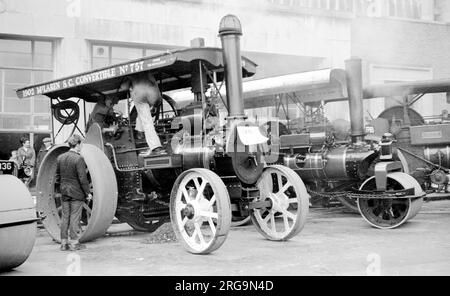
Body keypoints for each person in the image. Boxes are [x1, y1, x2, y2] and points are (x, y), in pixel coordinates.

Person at [55, 134, 92, 251]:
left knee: (65, 217)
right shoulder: (79, 158)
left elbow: (57, 177)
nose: (82, 146)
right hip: (76, 192)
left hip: (64, 191)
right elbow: (82, 178)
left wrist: (62, 188)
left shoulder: (60, 157)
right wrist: (88, 193)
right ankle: (75, 243)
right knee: (75, 217)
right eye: (81, 144)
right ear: (78, 144)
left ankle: (63, 243)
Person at [123, 72, 164, 156]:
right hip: (152, 91)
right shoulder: (147, 70)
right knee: (145, 114)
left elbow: (124, 87)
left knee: (146, 120)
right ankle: (140, 130)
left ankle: (155, 146)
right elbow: (152, 78)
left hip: (138, 92)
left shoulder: (130, 73)